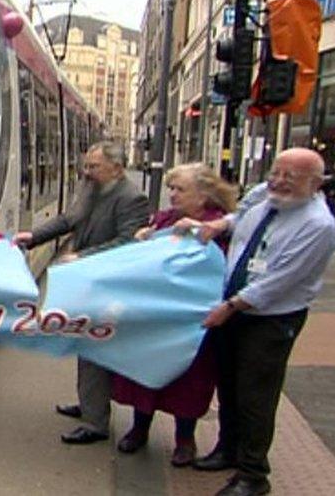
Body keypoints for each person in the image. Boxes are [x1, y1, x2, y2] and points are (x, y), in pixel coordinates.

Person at [175, 148, 335, 496]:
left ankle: (253, 474)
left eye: (289, 178)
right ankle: (227, 449)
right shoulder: (267, 195)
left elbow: (279, 281)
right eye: (275, 172)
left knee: (255, 395)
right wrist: (218, 224)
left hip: (269, 320)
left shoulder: (318, 225)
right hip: (233, 306)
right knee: (229, 385)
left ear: (315, 184)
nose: (277, 181)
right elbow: (242, 217)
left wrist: (231, 306)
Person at [13, 141, 150, 445]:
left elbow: (129, 242)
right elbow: (69, 219)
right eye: (86, 166)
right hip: (87, 282)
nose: (87, 172)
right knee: (84, 347)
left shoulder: (132, 198)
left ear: (115, 168)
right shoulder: (92, 190)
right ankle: (90, 405)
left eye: (94, 167)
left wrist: (83, 257)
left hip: (107, 285)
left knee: (95, 350)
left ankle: (96, 423)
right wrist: (33, 237)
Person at [112, 163, 237, 466]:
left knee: (188, 380)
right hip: (154, 315)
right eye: (171, 188)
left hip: (189, 319)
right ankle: (139, 429)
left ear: (204, 194)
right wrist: (143, 239)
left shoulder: (215, 224)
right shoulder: (164, 219)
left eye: (180, 189)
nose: (172, 194)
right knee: (146, 372)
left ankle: (185, 439)